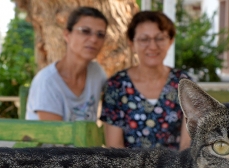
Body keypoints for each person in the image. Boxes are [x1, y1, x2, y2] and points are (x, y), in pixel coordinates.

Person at [100, 11, 191, 150]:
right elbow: (115, 148)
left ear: (171, 41)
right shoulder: (116, 86)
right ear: (131, 43)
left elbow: (187, 145)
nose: (153, 46)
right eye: (144, 39)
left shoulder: (183, 83)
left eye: (160, 38)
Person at [25, 7, 108, 121]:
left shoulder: (96, 72)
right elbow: (54, 137)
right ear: (67, 35)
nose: (94, 39)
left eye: (100, 34)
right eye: (85, 31)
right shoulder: (47, 82)